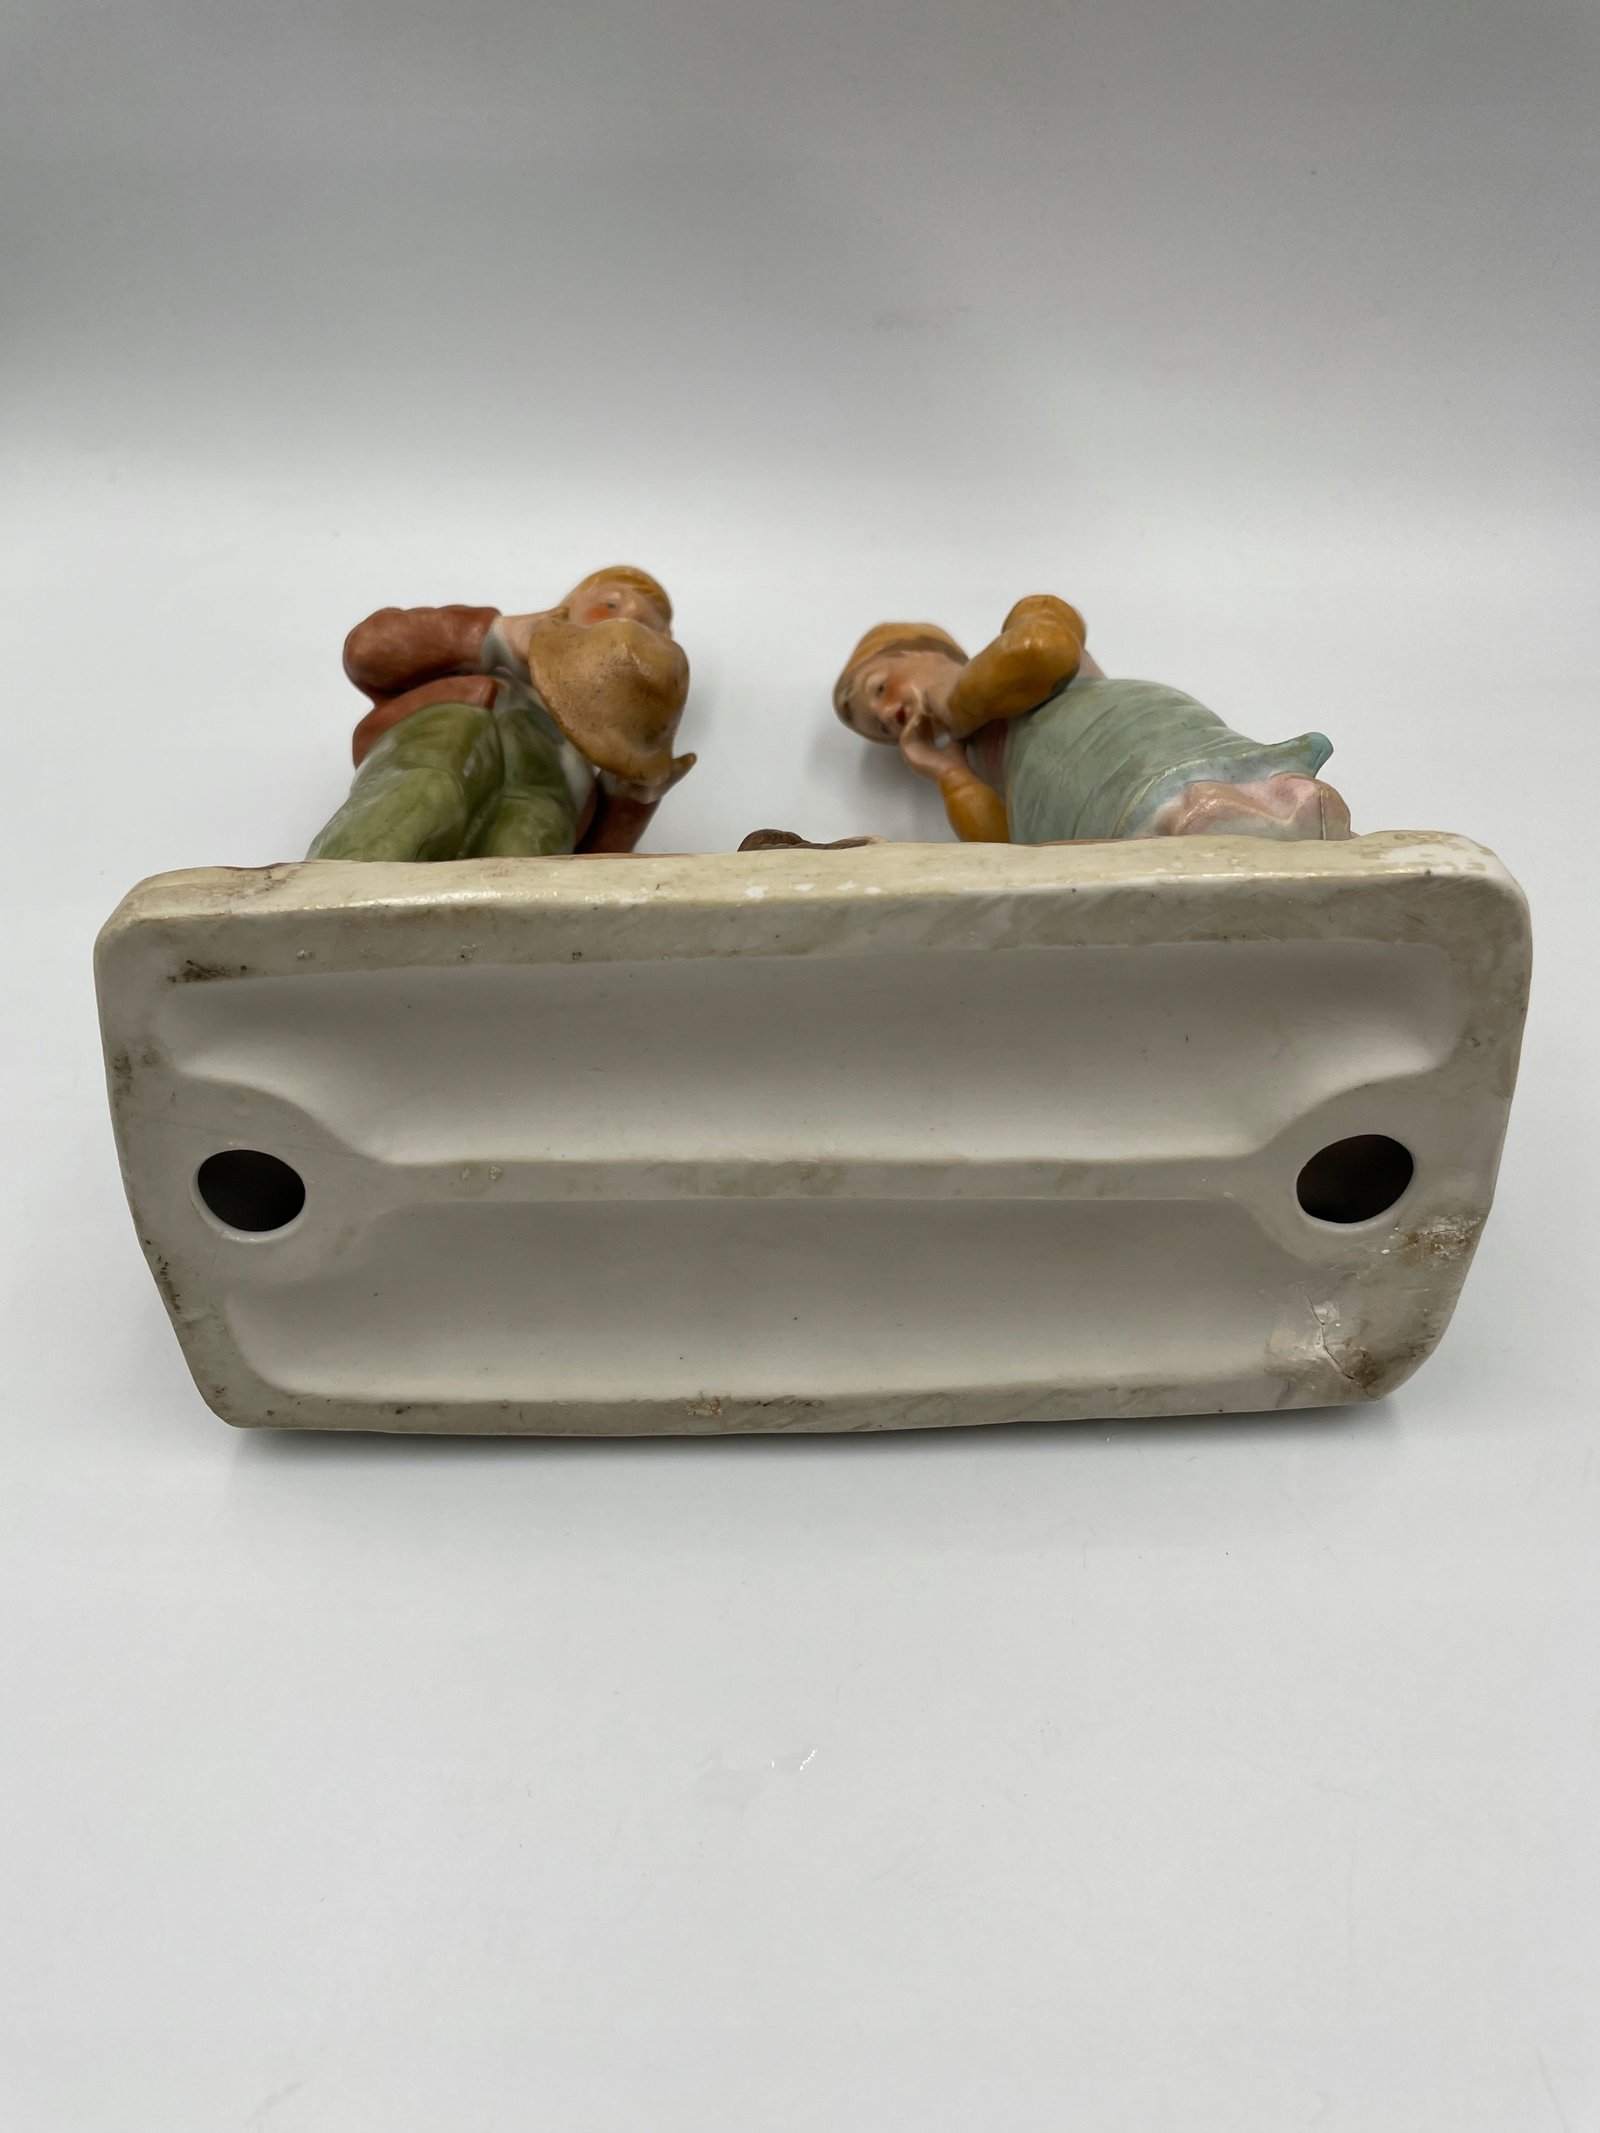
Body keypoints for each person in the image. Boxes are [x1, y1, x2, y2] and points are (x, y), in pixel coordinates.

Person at [830, 598, 1351, 844]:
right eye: (881, 729)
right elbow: (999, 851)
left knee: (1183, 794)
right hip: (1065, 804)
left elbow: (1042, 648)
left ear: (921, 648)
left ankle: (1276, 810)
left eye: (878, 689)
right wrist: (949, 773)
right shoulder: (970, 755)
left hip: (1119, 733)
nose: (887, 715)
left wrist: (953, 704)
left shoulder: (1007, 643)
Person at [308, 566, 694, 860]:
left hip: (549, 793)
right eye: (609, 605)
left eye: (645, 628)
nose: (620, 622)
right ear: (567, 607)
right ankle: (338, 891)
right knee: (423, 797)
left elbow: (591, 866)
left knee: (529, 845)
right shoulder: (488, 664)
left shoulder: (586, 752)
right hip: (442, 738)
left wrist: (632, 798)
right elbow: (367, 650)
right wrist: (497, 636)